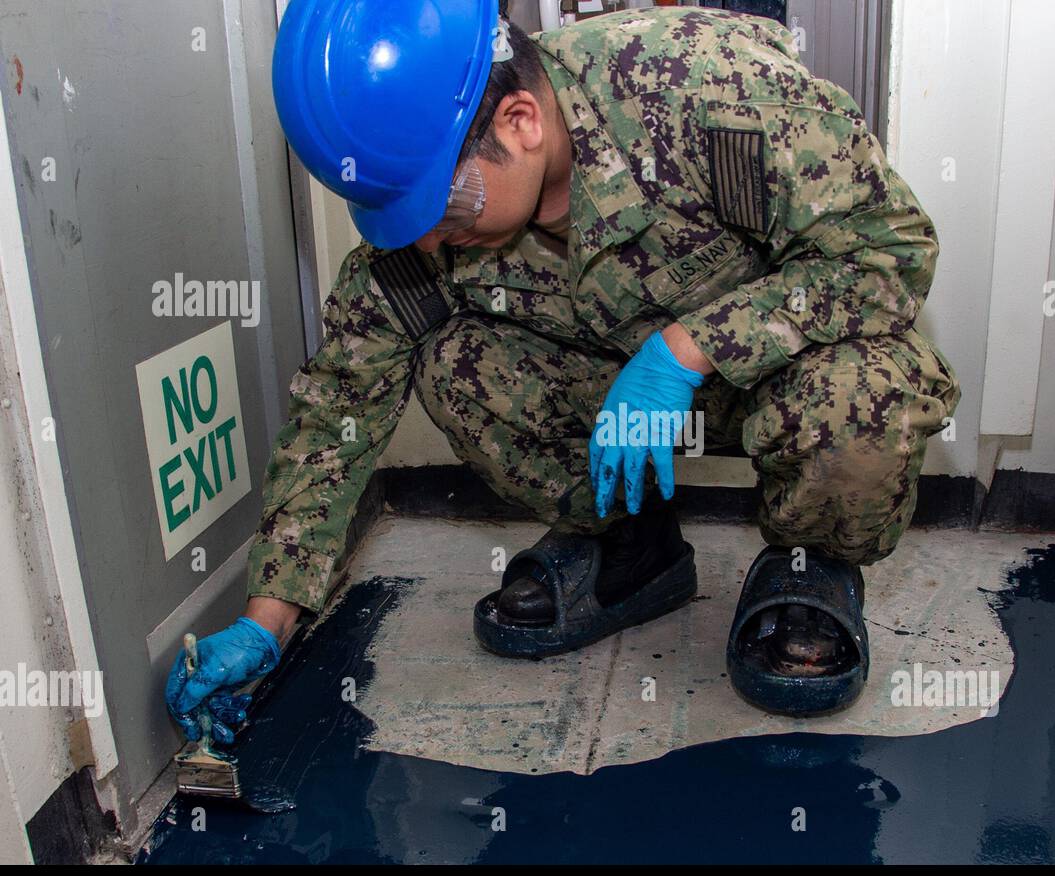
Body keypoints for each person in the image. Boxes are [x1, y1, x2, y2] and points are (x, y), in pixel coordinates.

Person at [166, 0, 959, 737]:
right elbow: (343, 397)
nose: (430, 242)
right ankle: (627, 542)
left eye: (443, 210)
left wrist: (687, 348)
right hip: (618, 405)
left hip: (777, 378)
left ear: (519, 121)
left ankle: (810, 569)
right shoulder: (429, 223)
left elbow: (887, 253)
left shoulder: (709, 89)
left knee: (865, 396)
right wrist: (265, 621)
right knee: (454, 362)